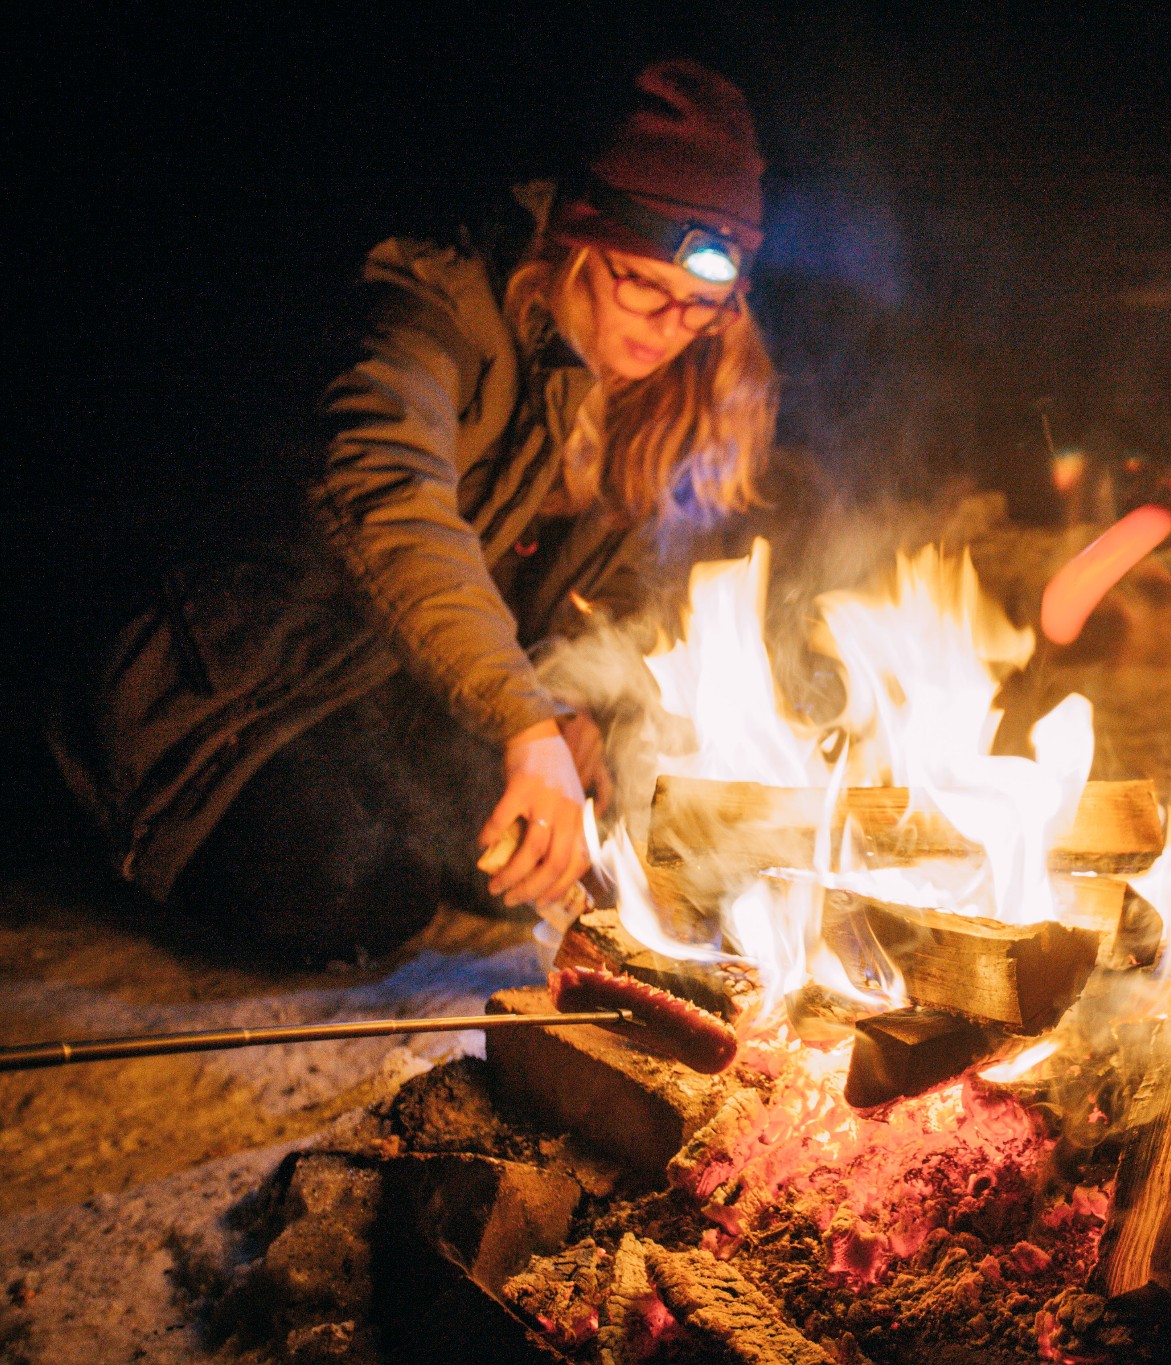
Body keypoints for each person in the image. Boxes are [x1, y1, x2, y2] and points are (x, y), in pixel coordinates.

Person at [46, 58, 778, 962]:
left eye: (702, 308)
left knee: (545, 856)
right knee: (347, 891)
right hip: (233, 691)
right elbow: (397, 506)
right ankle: (91, 816)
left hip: (398, 698)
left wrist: (575, 704)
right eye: (643, 284)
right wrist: (523, 721)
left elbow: (624, 587)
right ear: (578, 238)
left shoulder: (647, 390)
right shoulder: (429, 313)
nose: (669, 327)